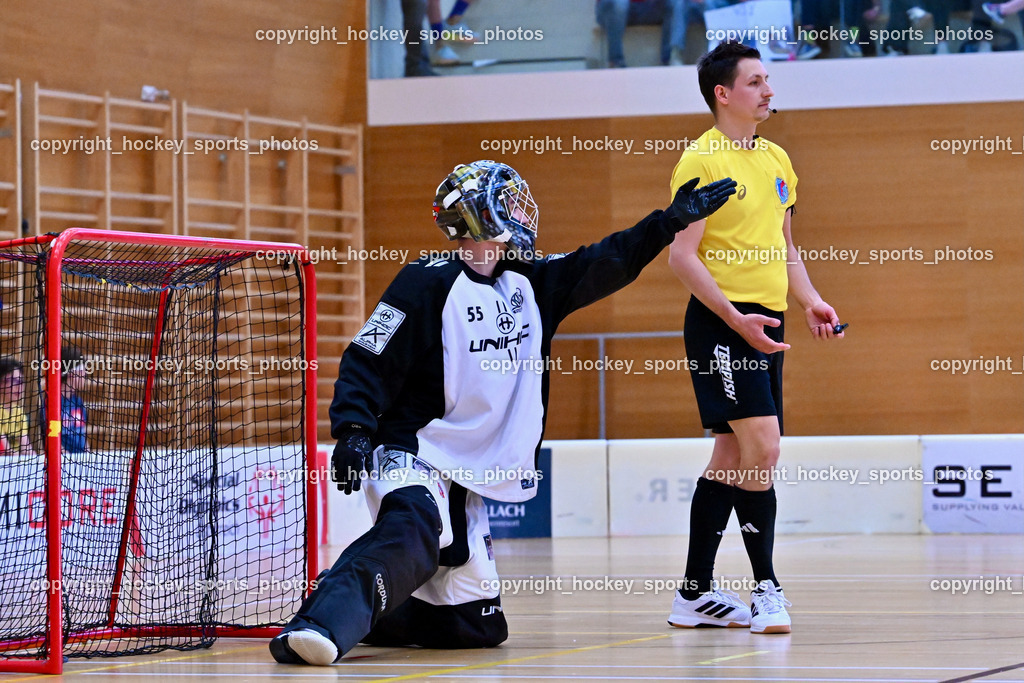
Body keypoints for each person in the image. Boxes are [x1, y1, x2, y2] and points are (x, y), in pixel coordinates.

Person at [269, 160, 737, 666]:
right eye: (509, 200)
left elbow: (606, 261)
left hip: (468, 472)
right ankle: (317, 625)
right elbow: (369, 354)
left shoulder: (532, 284)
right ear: (479, 215)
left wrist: (666, 223)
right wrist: (354, 429)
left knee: (478, 627)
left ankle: (376, 615)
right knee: (417, 532)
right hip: (413, 449)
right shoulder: (422, 283)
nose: (522, 210)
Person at [665, 41, 843, 635]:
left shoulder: (777, 160)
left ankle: (693, 593)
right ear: (723, 93)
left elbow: (785, 249)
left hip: (767, 320)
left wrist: (811, 299)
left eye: (769, 80)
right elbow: (681, 257)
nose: (769, 90)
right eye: (756, 81)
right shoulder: (700, 161)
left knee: (732, 456)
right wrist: (734, 317)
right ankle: (766, 585)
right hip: (724, 322)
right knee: (763, 448)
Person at [596, 0, 701, 67]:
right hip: (612, 7)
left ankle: (669, 58)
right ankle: (615, 61)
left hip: (648, 7)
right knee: (619, 3)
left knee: (675, 2)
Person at [60, 346, 88, 453]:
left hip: (81, 461)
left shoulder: (78, 402)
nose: (85, 375)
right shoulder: (54, 404)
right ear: (71, 374)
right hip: (64, 462)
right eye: (82, 372)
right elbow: (52, 440)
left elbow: (83, 438)